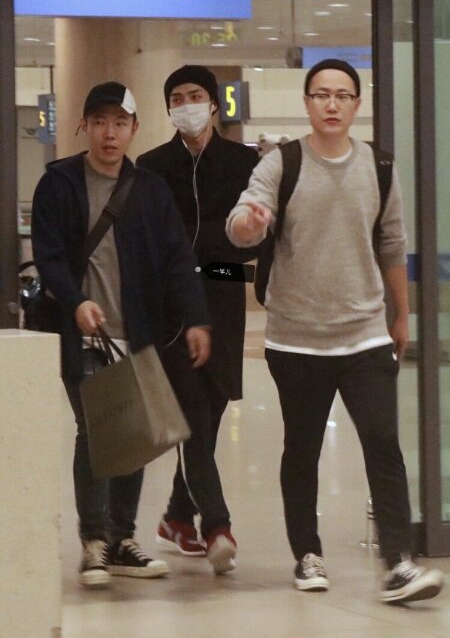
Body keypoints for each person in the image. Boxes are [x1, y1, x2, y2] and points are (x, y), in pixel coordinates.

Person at [226, 59, 445, 603]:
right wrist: (249, 223)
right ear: (307, 103)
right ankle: (307, 554)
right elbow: (242, 222)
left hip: (364, 333)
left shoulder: (379, 166)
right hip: (296, 338)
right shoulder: (282, 163)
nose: (331, 104)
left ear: (356, 104)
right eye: (321, 94)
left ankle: (398, 561)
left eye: (342, 95)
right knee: (301, 449)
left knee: (383, 443)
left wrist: (401, 315)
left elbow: (392, 243)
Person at [31, 81, 210, 588]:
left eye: (119, 123)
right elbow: (49, 256)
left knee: (133, 434)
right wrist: (76, 301)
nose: (109, 133)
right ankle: (94, 540)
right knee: (94, 432)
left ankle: (120, 538)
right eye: (100, 122)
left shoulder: (149, 190)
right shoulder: (59, 184)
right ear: (83, 126)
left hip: (137, 332)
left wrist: (196, 317)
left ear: (134, 128)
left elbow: (178, 260)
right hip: (82, 333)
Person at [137, 65, 259, 570]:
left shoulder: (244, 161)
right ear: (169, 107)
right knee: (193, 417)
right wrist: (213, 238)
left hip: (224, 299)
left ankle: (175, 517)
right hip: (172, 309)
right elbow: (154, 238)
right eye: (177, 98)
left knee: (210, 414)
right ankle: (217, 526)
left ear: (213, 103)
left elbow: (251, 243)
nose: (186, 105)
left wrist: (203, 247)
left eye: (195, 95)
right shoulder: (151, 166)